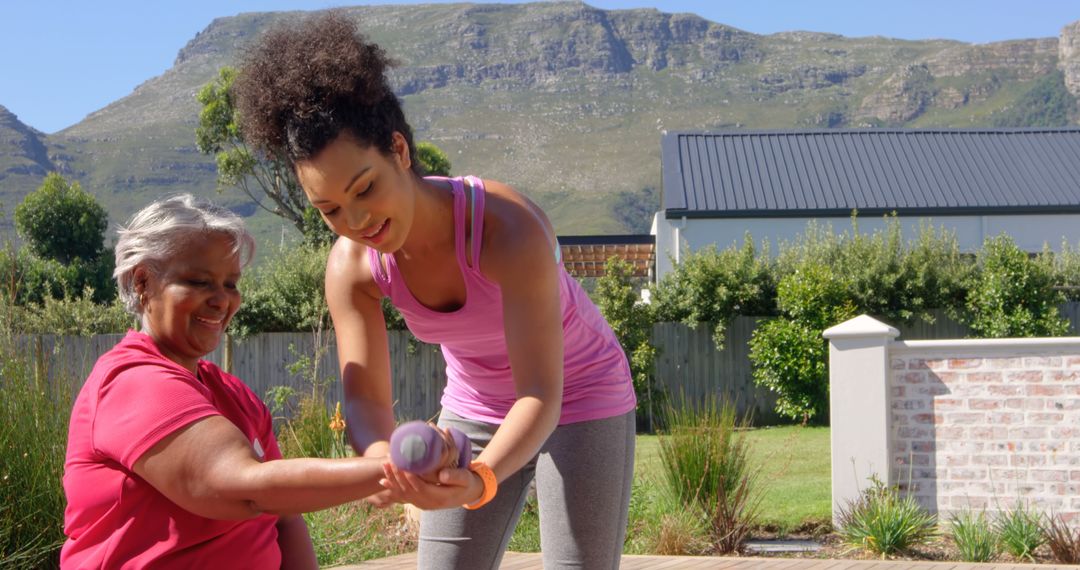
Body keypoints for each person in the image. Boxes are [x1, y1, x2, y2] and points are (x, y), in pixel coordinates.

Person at [232, 13, 637, 570]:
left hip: (581, 394)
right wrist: (385, 464)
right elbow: (366, 401)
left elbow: (541, 393)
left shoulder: (506, 230)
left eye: (365, 188)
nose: (355, 220)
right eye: (329, 209)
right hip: (473, 405)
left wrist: (482, 479)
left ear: (399, 150)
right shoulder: (352, 267)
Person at [61, 194, 391, 569]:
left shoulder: (234, 396)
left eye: (231, 284)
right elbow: (248, 490)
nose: (222, 300)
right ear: (142, 282)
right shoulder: (132, 383)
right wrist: (392, 469)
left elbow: (284, 515)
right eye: (200, 282)